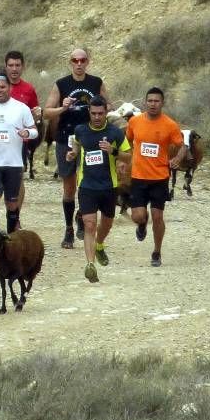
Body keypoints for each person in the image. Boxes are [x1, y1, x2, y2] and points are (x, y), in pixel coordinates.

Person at [43, 48, 109, 248]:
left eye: (83, 60)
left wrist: (99, 110)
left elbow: (109, 107)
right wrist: (62, 108)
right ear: (70, 62)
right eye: (75, 60)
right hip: (66, 138)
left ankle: (82, 215)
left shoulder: (96, 83)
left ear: (88, 61)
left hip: (91, 140)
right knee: (69, 185)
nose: (79, 64)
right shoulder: (61, 84)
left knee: (88, 181)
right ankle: (68, 229)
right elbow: (46, 112)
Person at [65, 96, 131, 282]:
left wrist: (114, 151)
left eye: (100, 113)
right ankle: (90, 265)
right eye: (93, 113)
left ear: (106, 113)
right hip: (87, 185)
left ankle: (100, 245)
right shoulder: (81, 130)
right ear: (89, 113)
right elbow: (76, 143)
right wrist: (73, 153)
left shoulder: (115, 133)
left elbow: (128, 157)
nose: (96, 117)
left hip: (109, 186)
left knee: (107, 223)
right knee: (90, 224)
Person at [125, 87, 185, 267]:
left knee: (158, 216)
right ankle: (142, 224)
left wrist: (177, 158)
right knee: (138, 216)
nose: (153, 104)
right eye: (150, 101)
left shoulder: (170, 125)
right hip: (138, 177)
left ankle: (157, 252)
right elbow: (127, 141)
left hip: (160, 177)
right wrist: (124, 159)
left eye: (156, 101)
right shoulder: (135, 121)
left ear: (162, 103)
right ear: (145, 102)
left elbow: (183, 145)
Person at [0, 51, 41, 211]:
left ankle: (15, 216)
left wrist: (36, 116)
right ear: (6, 67)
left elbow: (35, 116)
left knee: (19, 182)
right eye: (11, 65)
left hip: (18, 142)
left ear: (23, 67)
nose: (14, 69)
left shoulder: (29, 89)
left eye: (17, 65)